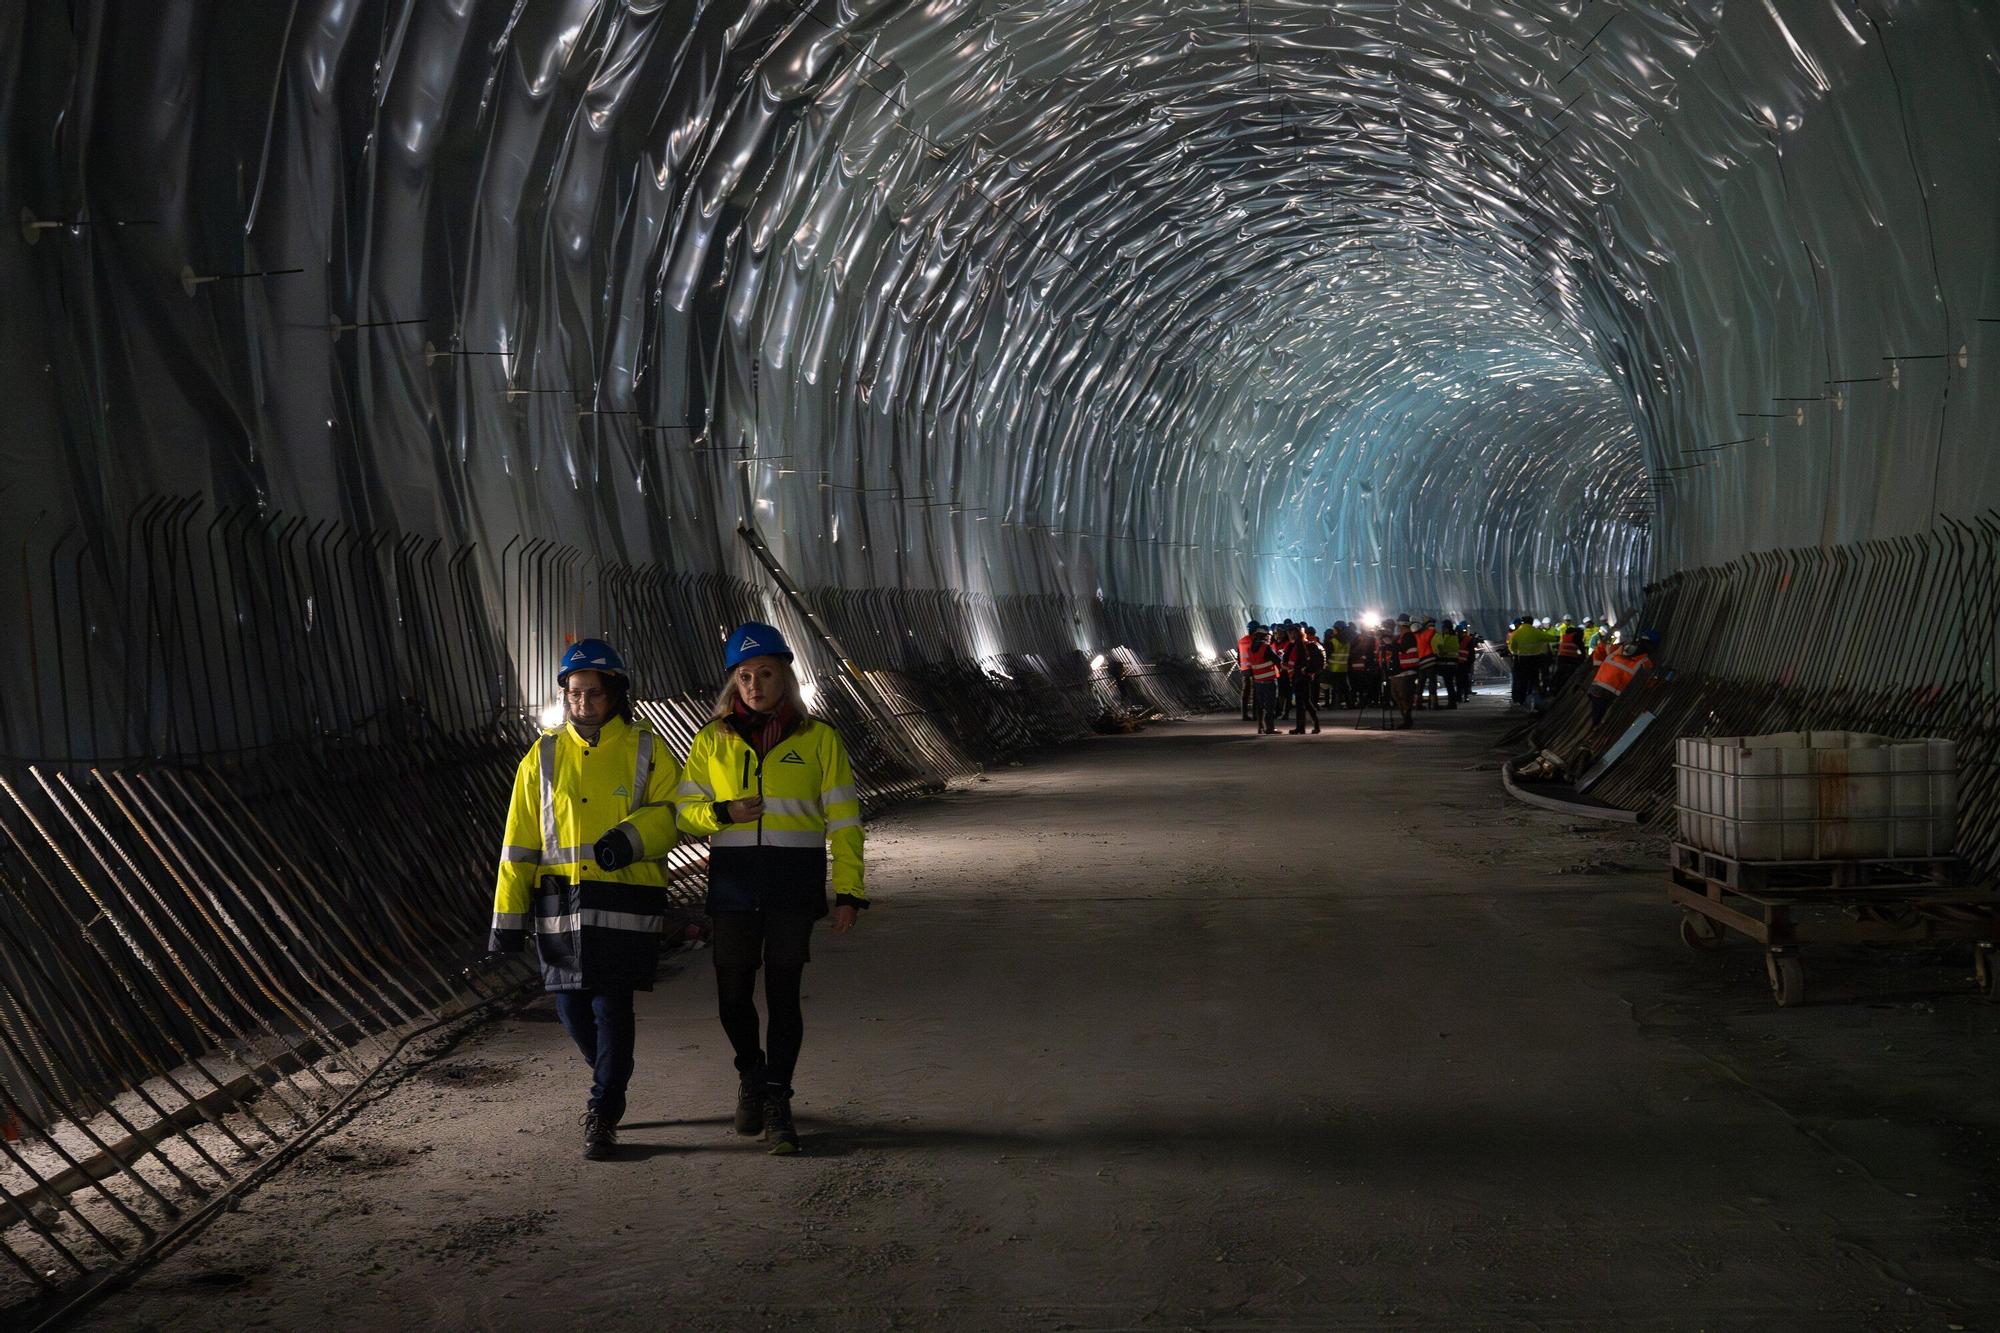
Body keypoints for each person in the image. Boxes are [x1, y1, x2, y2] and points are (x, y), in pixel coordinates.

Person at [675, 622, 867, 1155]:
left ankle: (778, 1099)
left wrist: (847, 893)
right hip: (734, 885)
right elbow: (683, 815)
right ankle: (752, 1075)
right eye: (745, 676)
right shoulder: (711, 741)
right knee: (733, 995)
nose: (755, 685)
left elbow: (845, 821)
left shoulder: (819, 739)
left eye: (765, 674)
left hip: (792, 886)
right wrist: (722, 812)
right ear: (733, 683)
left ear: (785, 678)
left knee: (783, 996)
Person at [490, 639, 685, 1161]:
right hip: (559, 903)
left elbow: (674, 813)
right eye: (573, 693)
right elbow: (519, 842)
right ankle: (612, 1075)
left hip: (626, 897)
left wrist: (631, 836)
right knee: (571, 1007)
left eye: (592, 693)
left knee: (610, 1003)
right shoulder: (543, 755)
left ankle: (603, 1108)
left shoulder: (647, 747)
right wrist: (506, 918)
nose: (582, 703)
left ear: (617, 693)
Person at [1587, 629, 1660, 723]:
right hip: (1614, 694)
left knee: (1598, 716)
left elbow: (1600, 647)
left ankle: (1595, 728)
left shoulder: (1619, 648)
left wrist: (1598, 666)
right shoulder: (1645, 662)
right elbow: (1648, 682)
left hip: (1599, 688)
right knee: (1602, 717)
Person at [1240, 625, 1283, 734]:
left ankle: (1260, 727)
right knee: (1270, 705)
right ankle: (1270, 728)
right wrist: (1280, 656)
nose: (1270, 638)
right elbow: (1277, 660)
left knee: (1260, 705)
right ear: (1265, 636)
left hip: (1258, 681)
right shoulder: (1266, 647)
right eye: (1269, 635)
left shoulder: (1251, 648)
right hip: (1269, 680)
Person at [1289, 624, 1324, 734]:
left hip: (1300, 677)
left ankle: (1301, 727)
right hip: (1305, 676)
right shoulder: (1305, 643)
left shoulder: (1299, 644)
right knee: (1306, 702)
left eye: (1290, 632)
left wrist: (1302, 670)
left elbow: (1298, 661)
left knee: (1301, 703)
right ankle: (1314, 725)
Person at [1386, 615, 1420, 728]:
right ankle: (1405, 718)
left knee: (1404, 696)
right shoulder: (1400, 637)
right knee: (1397, 695)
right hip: (1399, 671)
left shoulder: (1409, 636)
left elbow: (1402, 648)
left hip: (1406, 671)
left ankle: (1407, 720)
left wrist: (1391, 642)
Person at [1552, 621, 1587, 695]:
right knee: (1569, 676)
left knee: (1559, 673)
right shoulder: (1577, 637)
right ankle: (1565, 690)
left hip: (1561, 658)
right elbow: (1582, 651)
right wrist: (1583, 659)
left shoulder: (1565, 637)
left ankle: (1554, 689)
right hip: (1571, 659)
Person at [1432, 620, 1461, 708]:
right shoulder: (1453, 637)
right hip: (1451, 664)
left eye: (1443, 628)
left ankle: (1452, 703)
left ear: (1447, 628)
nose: (1442, 630)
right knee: (1450, 684)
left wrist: (1440, 650)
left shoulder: (1448, 637)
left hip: (1448, 664)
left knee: (1449, 685)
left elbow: (1444, 650)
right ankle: (1452, 702)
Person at [1323, 622, 1352, 708]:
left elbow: (1328, 654)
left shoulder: (1333, 641)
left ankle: (1334, 704)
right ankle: (1349, 703)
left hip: (1334, 667)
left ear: (1338, 630)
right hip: (1343, 668)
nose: (1333, 631)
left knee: (1335, 687)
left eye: (1335, 629)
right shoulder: (1347, 642)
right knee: (1345, 687)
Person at [1237, 621, 1260, 720]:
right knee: (1255, 692)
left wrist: (1241, 666)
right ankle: (1255, 715)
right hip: (1254, 669)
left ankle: (1244, 715)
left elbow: (1238, 656)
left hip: (1244, 669)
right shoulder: (1255, 640)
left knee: (1245, 692)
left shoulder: (1241, 640)